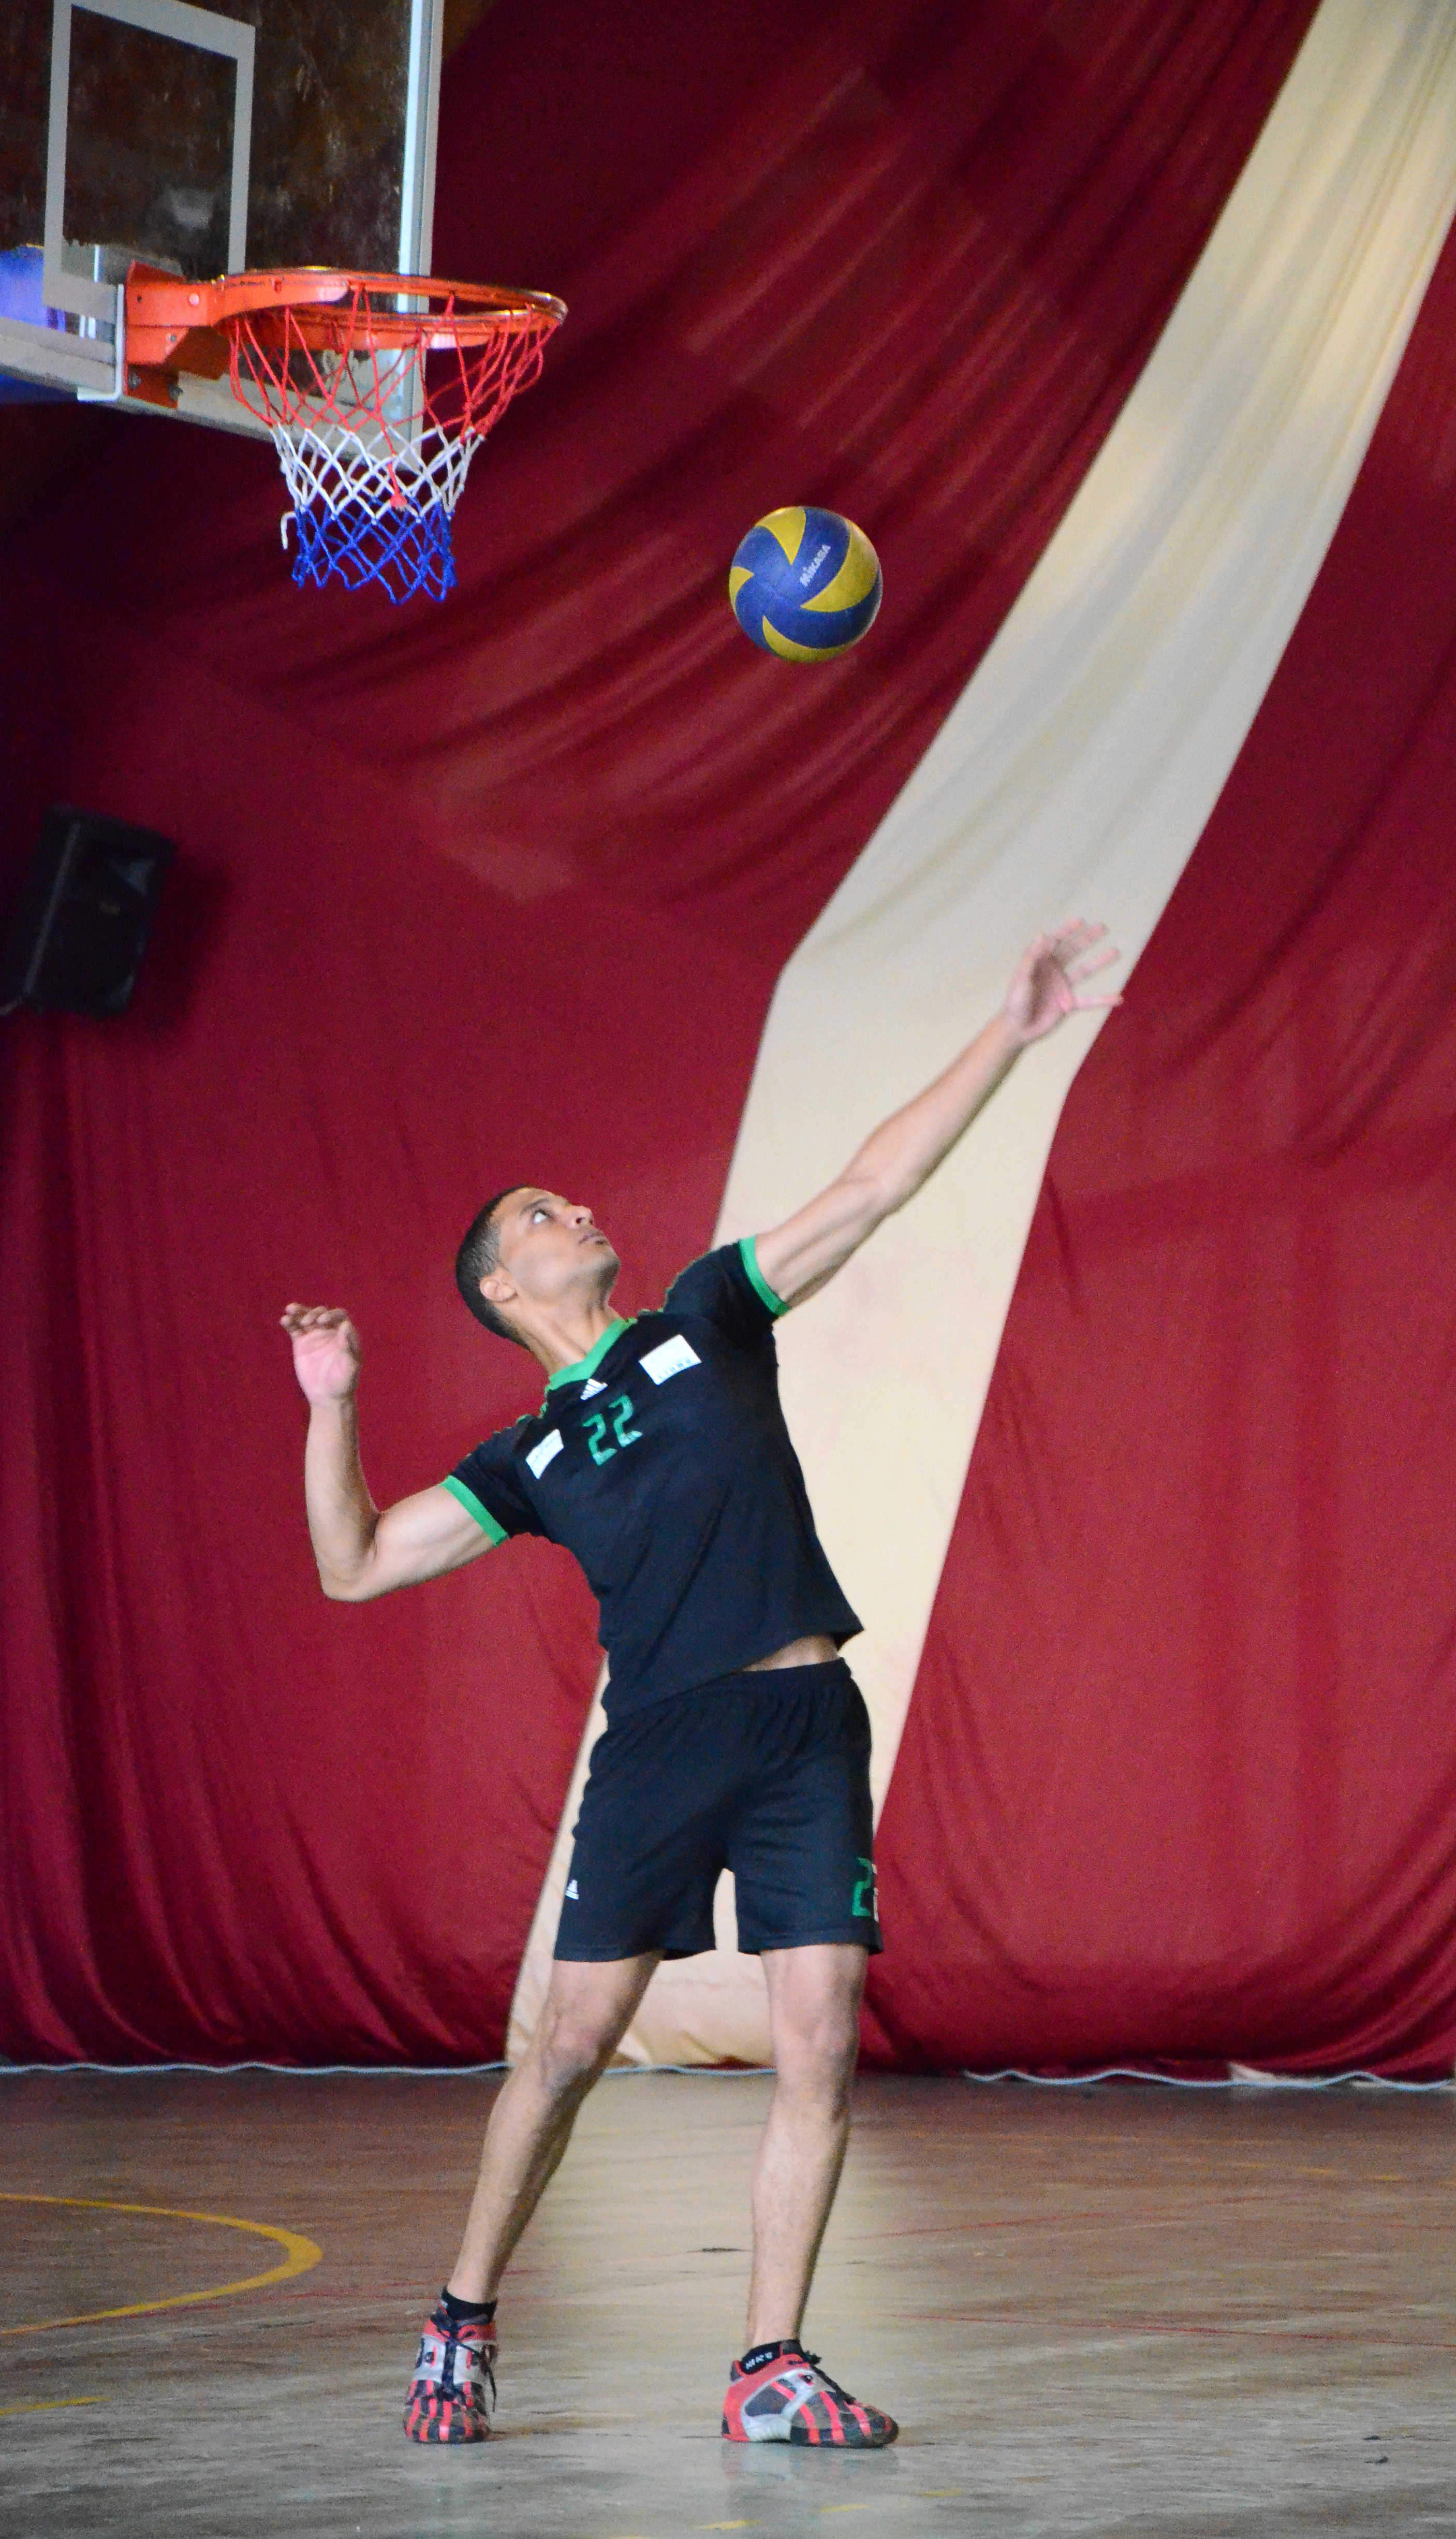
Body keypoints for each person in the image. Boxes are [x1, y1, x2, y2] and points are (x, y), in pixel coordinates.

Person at [280, 921, 1119, 2449]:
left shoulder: (703, 1320)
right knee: (568, 2051)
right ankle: (462, 2317)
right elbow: (353, 1564)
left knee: (821, 2043)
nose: (574, 1207)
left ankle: (769, 2364)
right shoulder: (520, 1460)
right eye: (540, 1213)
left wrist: (1012, 1029)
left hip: (807, 1724)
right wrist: (332, 1408)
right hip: (664, 1746)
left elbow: (876, 1183)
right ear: (500, 1283)